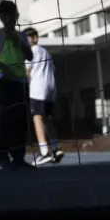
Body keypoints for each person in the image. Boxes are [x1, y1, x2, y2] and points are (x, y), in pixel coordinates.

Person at [0, 0, 33, 170]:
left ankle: (19, 157)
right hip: (4, 80)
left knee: (21, 120)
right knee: (6, 119)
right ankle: (2, 156)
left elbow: (30, 56)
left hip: (21, 81)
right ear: (2, 17)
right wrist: (3, 67)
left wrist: (20, 41)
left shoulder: (22, 36)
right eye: (9, 16)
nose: (13, 18)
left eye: (15, 15)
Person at [24, 28, 64, 167]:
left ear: (35, 38)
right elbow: (53, 69)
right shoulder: (46, 52)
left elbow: (26, 72)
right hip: (50, 89)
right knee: (47, 119)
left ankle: (44, 152)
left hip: (38, 89)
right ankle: (56, 147)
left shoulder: (31, 52)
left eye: (27, 37)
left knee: (37, 117)